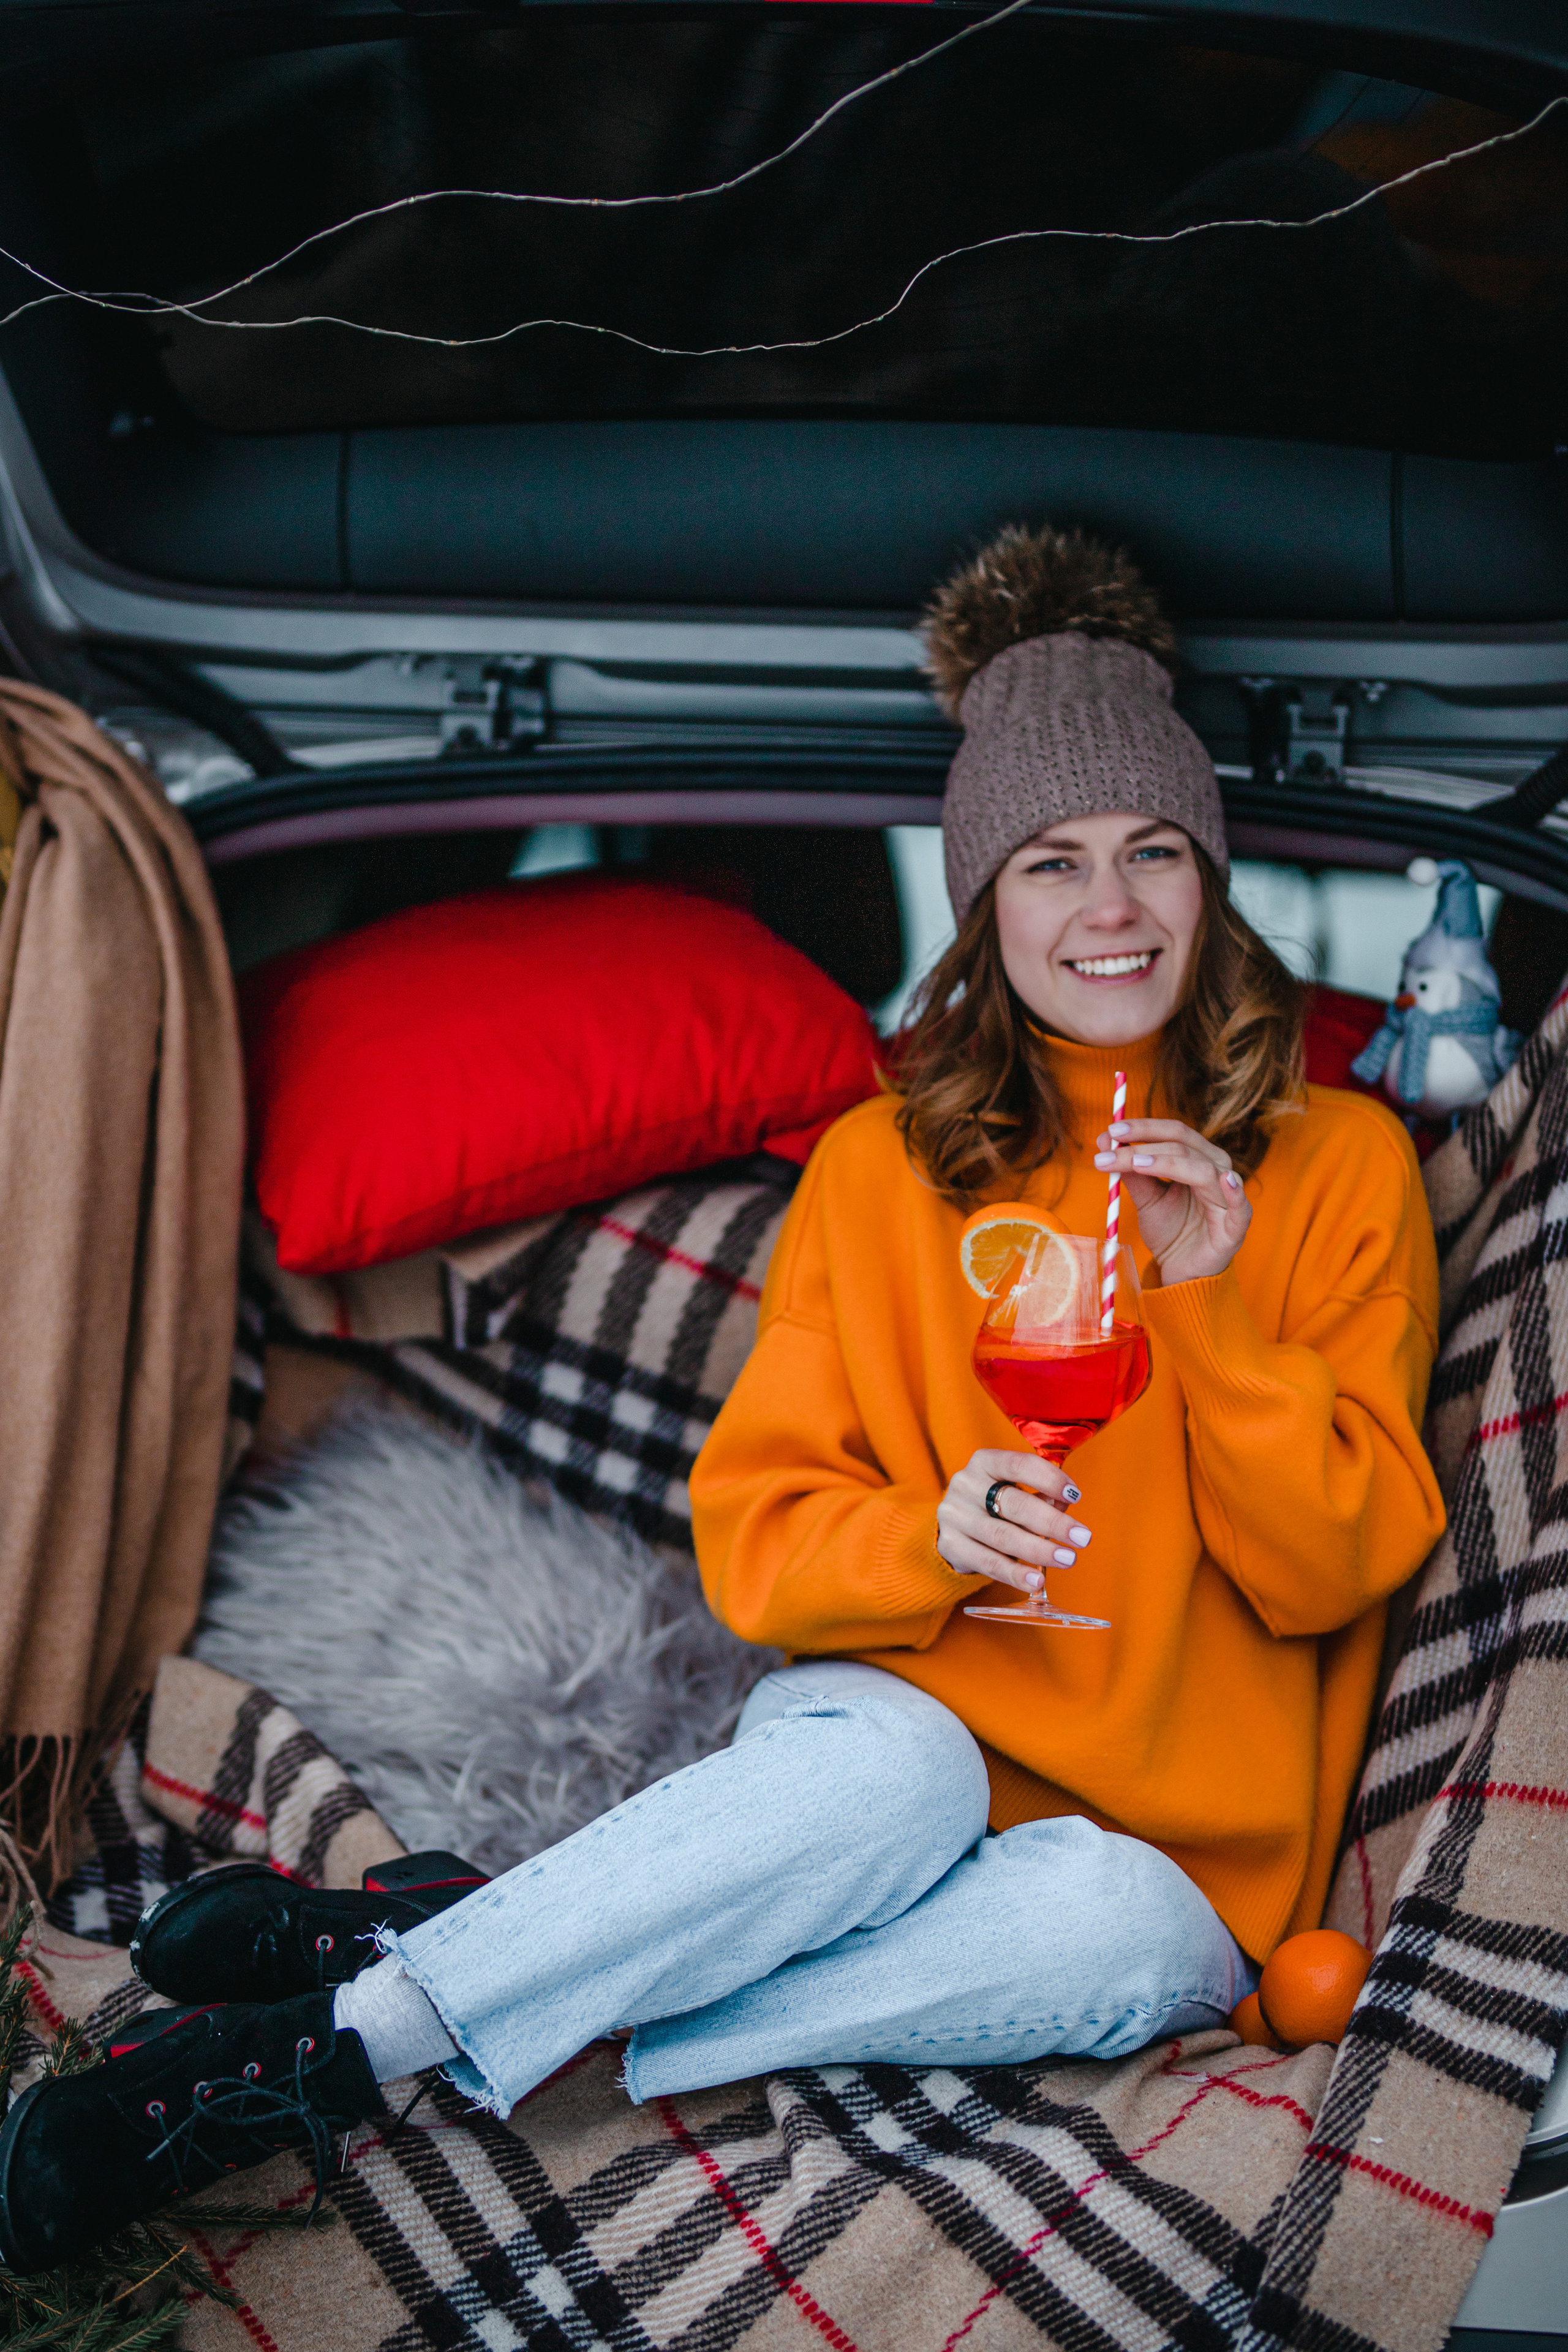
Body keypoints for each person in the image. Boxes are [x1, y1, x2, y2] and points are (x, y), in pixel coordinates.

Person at [0, 526, 1446, 2271]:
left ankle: (467, 1952)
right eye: (1053, 862)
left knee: (1118, 1936)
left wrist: (1212, 1318)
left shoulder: (1339, 1163)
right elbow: (758, 1547)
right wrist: (927, 1538)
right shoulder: (879, 1169)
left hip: (1171, 1862)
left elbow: (1330, 1569)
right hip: (893, 1760)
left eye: (1154, 850)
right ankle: (314, 2064)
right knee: (895, 1775)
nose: (1114, 907)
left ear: (1210, 874)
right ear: (988, 899)